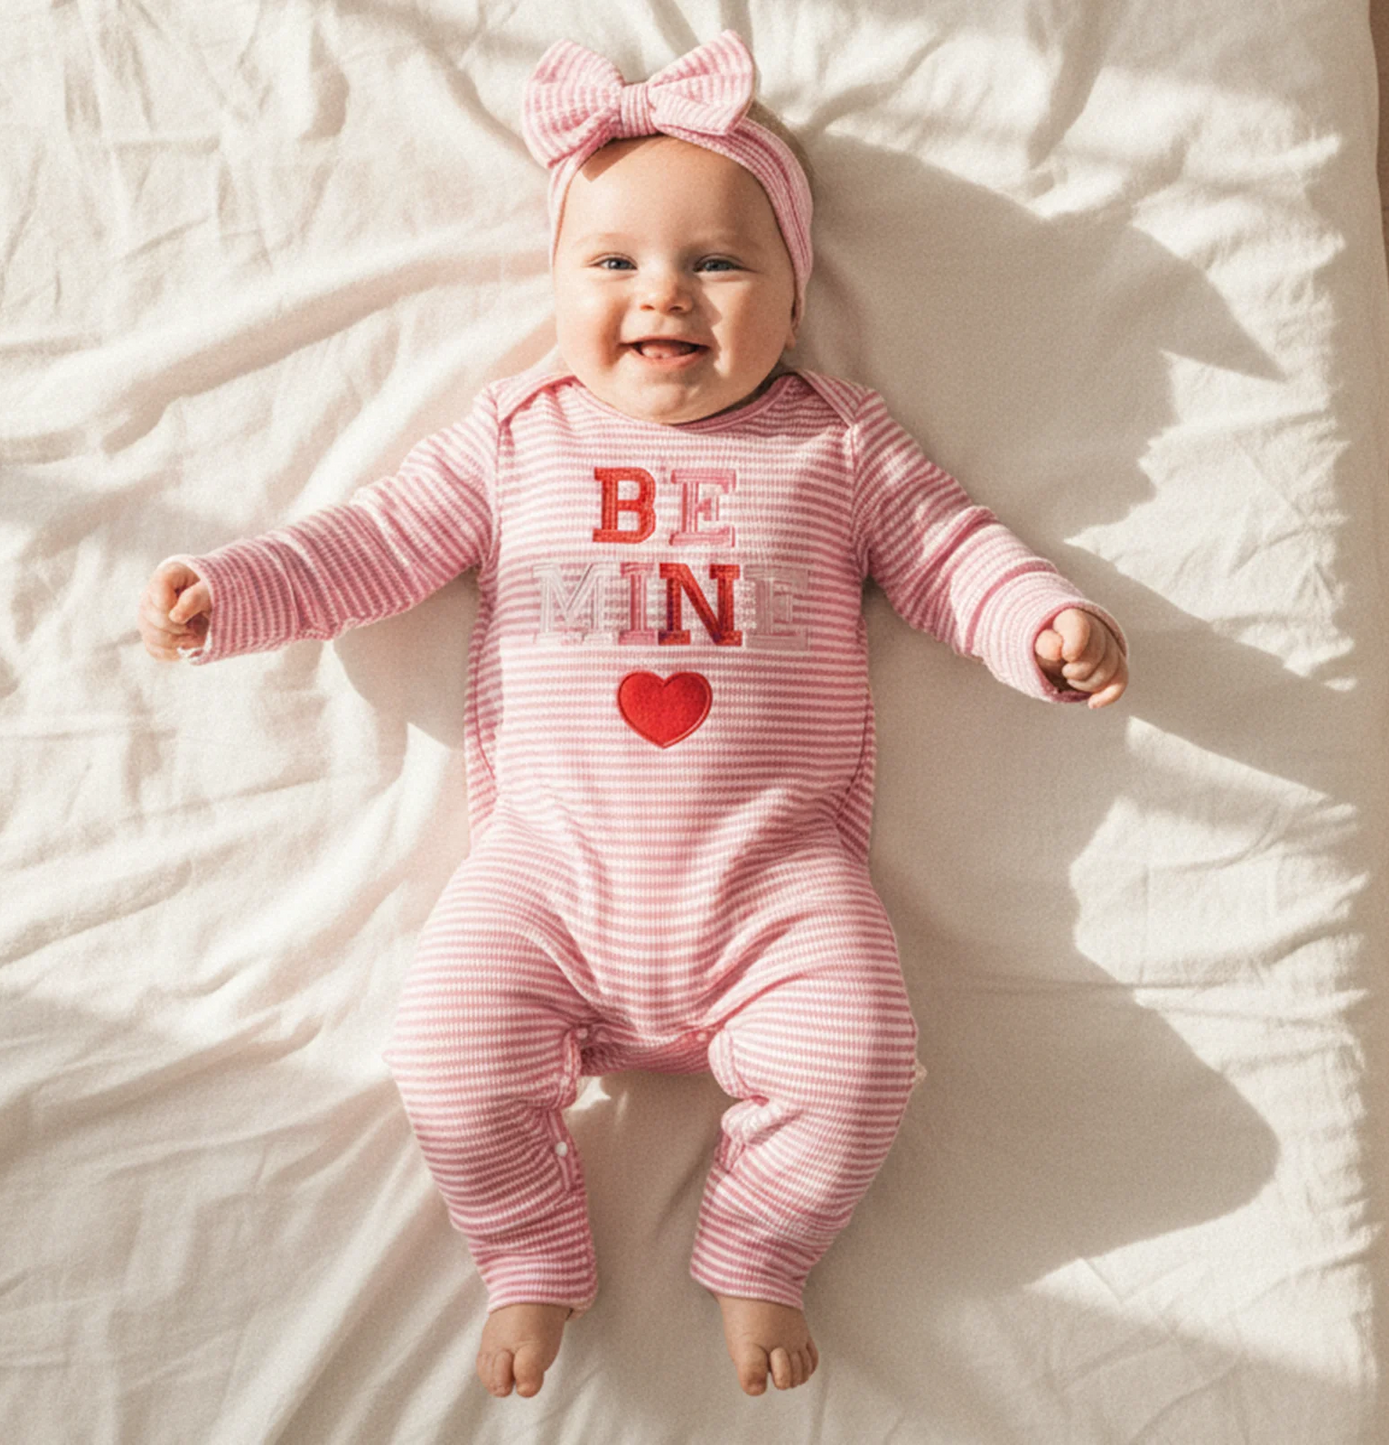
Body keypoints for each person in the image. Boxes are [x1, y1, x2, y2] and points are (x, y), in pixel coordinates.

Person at [136, 30, 1128, 1403]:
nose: (664, 295)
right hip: (548, 877)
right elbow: (376, 543)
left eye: (718, 263)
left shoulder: (837, 442)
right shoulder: (516, 433)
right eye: (612, 264)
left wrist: (1039, 623)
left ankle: (760, 1247)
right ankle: (528, 1250)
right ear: (556, 284)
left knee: (862, 1061)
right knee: (445, 1062)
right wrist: (235, 593)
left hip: (775, 878)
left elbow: (952, 551)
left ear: (793, 295)